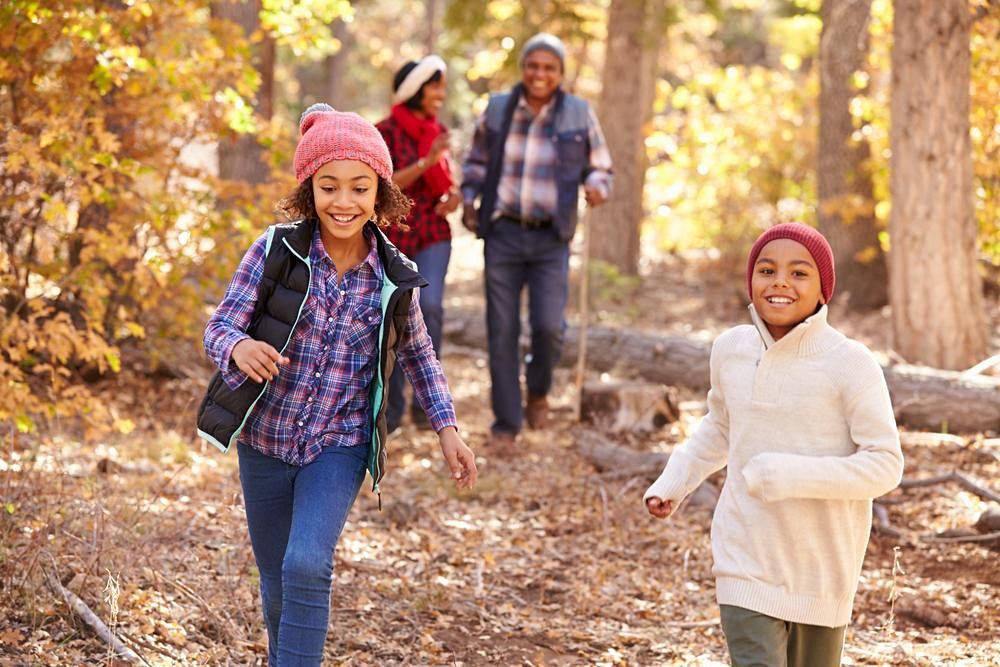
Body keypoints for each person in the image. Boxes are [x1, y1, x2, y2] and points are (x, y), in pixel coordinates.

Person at [197, 103, 478, 666]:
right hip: (266, 439)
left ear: (380, 192)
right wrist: (238, 346)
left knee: (306, 563)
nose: (343, 202)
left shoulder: (394, 276)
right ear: (310, 190)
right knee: (277, 576)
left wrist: (447, 428)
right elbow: (220, 325)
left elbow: (420, 356)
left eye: (359, 188)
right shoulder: (277, 250)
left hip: (340, 444)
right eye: (329, 188)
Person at [643, 223, 904, 667]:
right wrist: (674, 480)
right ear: (751, 281)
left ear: (824, 291)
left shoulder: (850, 364)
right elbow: (720, 426)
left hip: (822, 567)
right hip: (744, 556)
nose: (780, 281)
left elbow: (885, 465)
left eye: (799, 273)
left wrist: (789, 475)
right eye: (767, 270)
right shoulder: (730, 349)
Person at [460, 32, 613, 452]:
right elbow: (475, 163)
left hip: (551, 236)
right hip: (504, 232)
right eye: (533, 65)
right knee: (502, 327)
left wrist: (598, 186)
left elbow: (600, 166)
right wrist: (470, 197)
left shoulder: (579, 114)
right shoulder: (497, 109)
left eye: (549, 67)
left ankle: (539, 392)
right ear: (523, 69)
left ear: (561, 74)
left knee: (548, 326)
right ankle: (506, 423)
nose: (540, 73)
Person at [376, 55, 461, 433]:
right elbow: (385, 185)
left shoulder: (436, 131)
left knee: (431, 306)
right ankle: (391, 409)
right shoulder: (383, 133)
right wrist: (428, 161)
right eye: (436, 86)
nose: (441, 93)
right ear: (416, 89)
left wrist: (454, 198)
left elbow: (445, 182)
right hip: (393, 236)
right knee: (392, 316)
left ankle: (429, 406)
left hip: (433, 233)